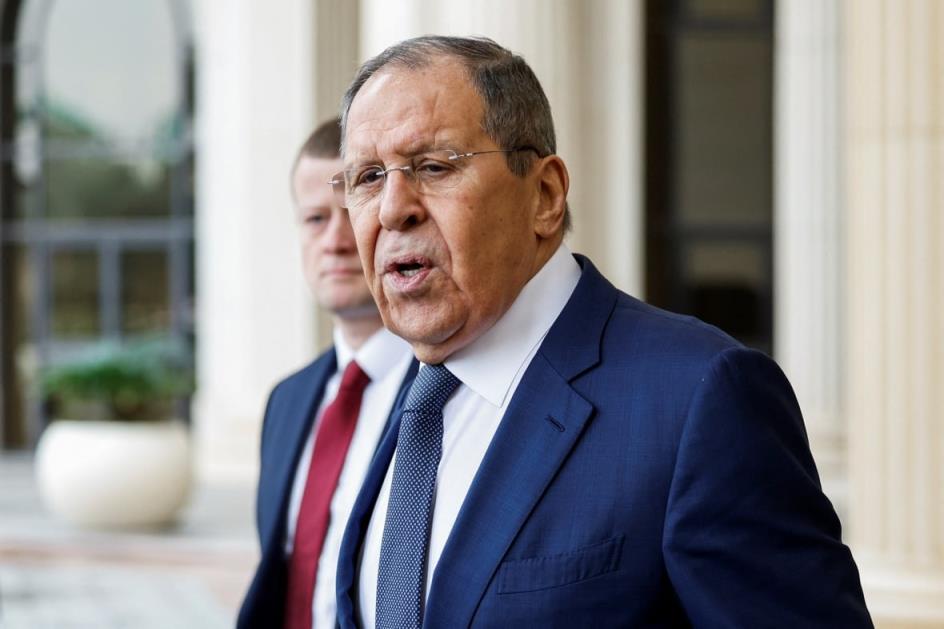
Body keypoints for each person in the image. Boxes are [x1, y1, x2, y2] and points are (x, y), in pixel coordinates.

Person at [332, 36, 872, 628]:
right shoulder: (405, 398)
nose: (391, 210)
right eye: (367, 177)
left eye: (434, 167)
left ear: (544, 195)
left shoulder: (700, 397)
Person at [237, 118, 416, 629]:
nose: (335, 241)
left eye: (351, 213)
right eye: (315, 219)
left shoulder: (448, 390)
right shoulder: (287, 401)